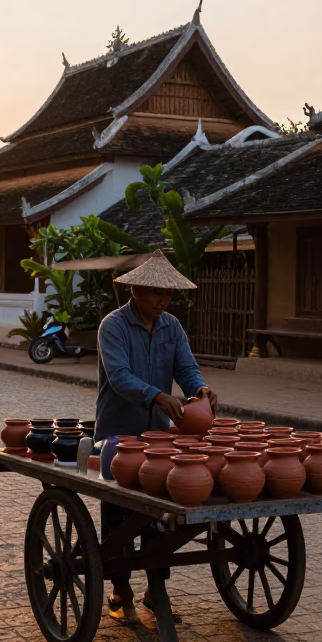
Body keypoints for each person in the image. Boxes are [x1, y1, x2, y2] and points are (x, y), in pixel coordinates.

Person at [93, 250, 218, 619]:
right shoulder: (112, 326)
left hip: (159, 441)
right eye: (154, 293)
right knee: (118, 516)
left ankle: (155, 588)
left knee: (158, 515)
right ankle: (120, 590)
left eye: (167, 295)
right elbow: (118, 377)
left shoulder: (172, 327)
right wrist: (157, 395)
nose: (162, 301)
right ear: (135, 291)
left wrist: (200, 391)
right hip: (117, 436)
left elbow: (187, 368)